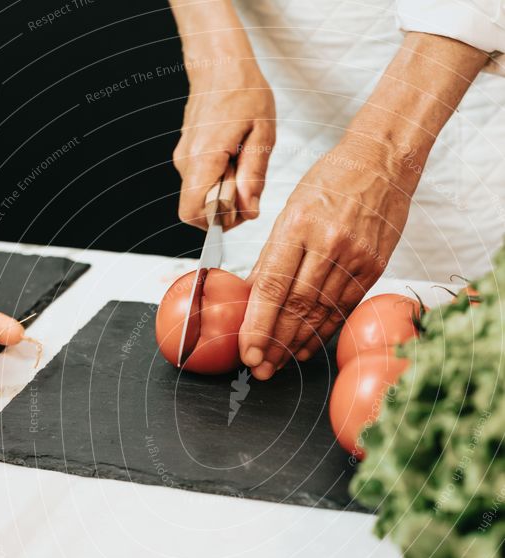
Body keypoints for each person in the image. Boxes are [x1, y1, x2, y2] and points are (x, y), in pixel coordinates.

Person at [169, 0, 505, 379]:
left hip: (459, 101)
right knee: (272, 294)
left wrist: (386, 151)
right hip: (284, 85)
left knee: (462, 352)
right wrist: (215, 53)